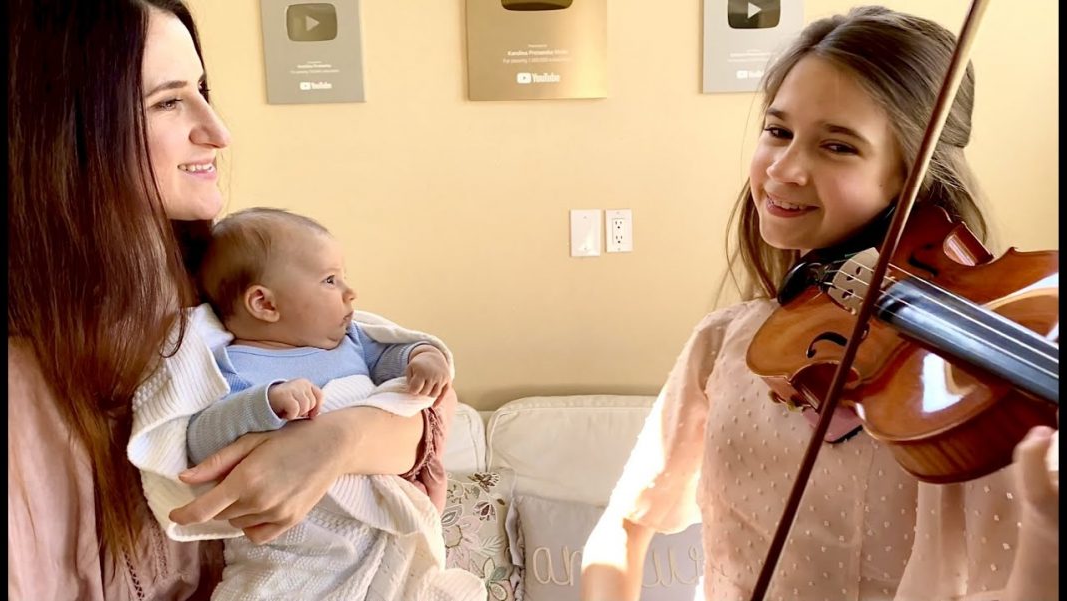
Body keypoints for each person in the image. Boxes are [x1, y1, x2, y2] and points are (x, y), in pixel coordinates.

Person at [580, 6, 1058, 601]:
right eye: (777, 131)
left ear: (914, 174)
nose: (783, 169)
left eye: (837, 146)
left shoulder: (984, 399)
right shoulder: (727, 343)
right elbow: (622, 527)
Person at [8, 1, 454, 599]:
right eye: (168, 101)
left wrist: (331, 442)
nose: (218, 131)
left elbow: (420, 416)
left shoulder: (220, 289)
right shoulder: (28, 377)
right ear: (67, 129)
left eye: (200, 89)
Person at [154, 206, 480, 599]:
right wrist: (265, 402)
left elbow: (398, 355)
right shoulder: (230, 366)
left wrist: (423, 357)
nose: (350, 291)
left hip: (377, 526)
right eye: (330, 280)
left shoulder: (354, 341)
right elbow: (201, 443)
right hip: (293, 548)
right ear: (265, 304)